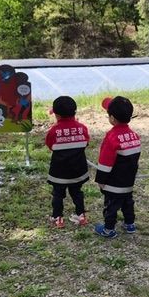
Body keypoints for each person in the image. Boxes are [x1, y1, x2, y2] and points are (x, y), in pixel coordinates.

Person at [94, 96, 141, 239]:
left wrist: (101, 180)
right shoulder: (134, 136)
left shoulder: (112, 137)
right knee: (128, 202)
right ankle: (130, 224)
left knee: (111, 206)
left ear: (112, 118)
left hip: (113, 182)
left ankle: (108, 229)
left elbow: (105, 162)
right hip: (129, 180)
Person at [45, 96, 90, 228]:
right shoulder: (82, 128)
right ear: (75, 112)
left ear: (56, 115)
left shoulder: (54, 131)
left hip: (59, 171)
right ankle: (81, 215)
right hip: (78, 170)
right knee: (77, 193)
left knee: (58, 194)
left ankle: (57, 218)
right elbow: (86, 142)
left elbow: (50, 145)